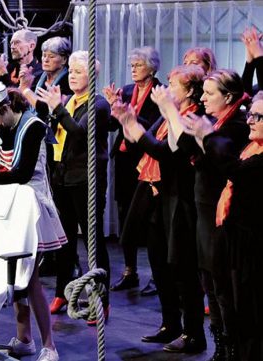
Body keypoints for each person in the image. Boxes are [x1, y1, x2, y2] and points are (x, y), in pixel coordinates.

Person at [112, 65, 207, 354]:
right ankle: (170, 324)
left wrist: (138, 129)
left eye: (173, 85)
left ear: (190, 91)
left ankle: (193, 333)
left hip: (180, 201)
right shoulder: (168, 117)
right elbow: (146, 142)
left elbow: (166, 152)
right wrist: (128, 120)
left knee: (183, 270)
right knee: (160, 264)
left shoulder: (192, 119)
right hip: (157, 197)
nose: (165, 90)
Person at [0, 82, 65, 361]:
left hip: (30, 206)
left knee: (30, 277)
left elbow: (21, 173)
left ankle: (49, 345)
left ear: (3, 108)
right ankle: (24, 337)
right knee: (13, 273)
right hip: (5, 205)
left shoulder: (33, 126)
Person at [173, 69, 249, 360]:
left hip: (223, 215)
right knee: (210, 281)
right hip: (205, 209)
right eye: (202, 91)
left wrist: (205, 134)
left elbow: (220, 163)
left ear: (228, 97)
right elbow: (182, 147)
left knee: (222, 285)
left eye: (209, 93)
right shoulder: (213, 122)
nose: (202, 98)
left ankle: (231, 347)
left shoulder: (236, 126)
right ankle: (220, 344)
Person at [183, 91, 263, 361]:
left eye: (258, 116)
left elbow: (235, 170)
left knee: (251, 314)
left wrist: (209, 134)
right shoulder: (252, 147)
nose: (251, 120)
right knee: (237, 308)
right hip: (238, 241)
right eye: (250, 114)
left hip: (253, 246)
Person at [36, 51, 111, 322]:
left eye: (78, 71)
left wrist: (57, 108)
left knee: (93, 241)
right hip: (64, 178)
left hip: (86, 180)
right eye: (71, 70)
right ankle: (62, 291)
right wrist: (52, 110)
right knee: (64, 239)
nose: (73, 75)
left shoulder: (99, 105)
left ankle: (100, 301)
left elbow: (80, 135)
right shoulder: (69, 101)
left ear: (91, 75)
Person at [104, 47, 163, 294]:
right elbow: (110, 125)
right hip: (125, 159)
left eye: (138, 64)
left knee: (149, 222)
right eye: (132, 65)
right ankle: (130, 271)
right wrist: (113, 106)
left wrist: (131, 117)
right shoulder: (127, 91)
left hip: (147, 159)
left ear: (152, 67)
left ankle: (156, 276)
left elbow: (156, 128)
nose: (134, 68)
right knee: (124, 211)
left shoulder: (161, 92)